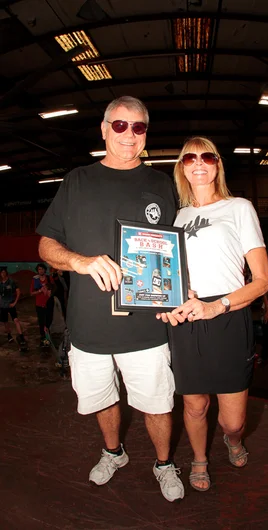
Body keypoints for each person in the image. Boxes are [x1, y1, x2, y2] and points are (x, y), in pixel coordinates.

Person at [36, 96, 184, 502]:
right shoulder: (77, 181)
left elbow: (176, 251)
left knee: (157, 403)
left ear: (145, 135)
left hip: (147, 327)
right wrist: (80, 261)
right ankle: (113, 452)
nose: (128, 135)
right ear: (103, 130)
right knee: (103, 398)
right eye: (119, 126)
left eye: (138, 128)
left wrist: (179, 292)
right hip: (90, 327)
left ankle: (164, 463)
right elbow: (46, 245)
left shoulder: (161, 184)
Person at [157, 136, 268, 492]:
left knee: (233, 421)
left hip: (228, 316)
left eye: (207, 156)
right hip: (189, 318)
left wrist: (217, 305)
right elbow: (170, 274)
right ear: (182, 168)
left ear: (218, 164)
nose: (199, 163)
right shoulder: (178, 216)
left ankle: (233, 440)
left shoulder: (239, 208)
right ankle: (199, 459)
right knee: (194, 406)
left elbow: (263, 281)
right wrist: (169, 303)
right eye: (189, 158)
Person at [30, 263, 54, 346]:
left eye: (42, 269)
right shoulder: (35, 280)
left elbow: (54, 288)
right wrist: (40, 291)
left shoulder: (49, 278)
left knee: (49, 319)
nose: (41, 271)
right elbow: (31, 293)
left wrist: (48, 291)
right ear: (37, 270)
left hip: (49, 303)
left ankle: (48, 335)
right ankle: (43, 337)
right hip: (39, 304)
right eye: (39, 269)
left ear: (45, 270)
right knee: (41, 321)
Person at [0, 267, 26, 345]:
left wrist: (15, 302)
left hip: (11, 304)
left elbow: (18, 291)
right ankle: (9, 335)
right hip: (2, 306)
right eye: (1, 272)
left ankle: (21, 336)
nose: (3, 274)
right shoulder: (0, 283)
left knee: (16, 320)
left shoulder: (11, 282)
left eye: (4, 272)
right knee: (5, 322)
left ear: (6, 273)